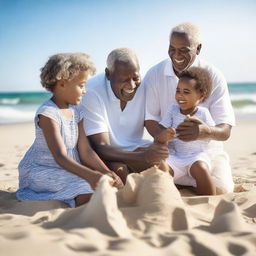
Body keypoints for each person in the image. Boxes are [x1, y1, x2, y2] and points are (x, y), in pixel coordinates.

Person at [16, 53, 123, 208]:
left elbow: (86, 151)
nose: (85, 90)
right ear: (62, 83)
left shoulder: (76, 112)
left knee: (101, 183)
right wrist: (92, 176)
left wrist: (105, 172)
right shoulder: (48, 114)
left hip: (69, 168)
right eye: (81, 85)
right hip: (44, 170)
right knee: (87, 187)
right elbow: (60, 157)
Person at [143, 22, 235, 194]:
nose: (176, 55)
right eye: (172, 48)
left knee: (223, 189)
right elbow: (150, 119)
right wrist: (162, 136)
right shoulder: (154, 74)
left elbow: (225, 130)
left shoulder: (214, 76)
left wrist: (205, 131)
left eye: (184, 50)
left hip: (205, 153)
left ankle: (187, 182)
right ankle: (178, 182)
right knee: (157, 173)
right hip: (172, 152)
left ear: (198, 48)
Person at [81, 48, 169, 183]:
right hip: (105, 155)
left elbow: (151, 122)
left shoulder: (145, 86)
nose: (132, 85)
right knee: (120, 170)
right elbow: (101, 146)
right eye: (124, 80)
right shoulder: (92, 91)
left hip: (135, 149)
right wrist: (144, 157)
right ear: (108, 74)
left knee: (162, 166)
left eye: (135, 78)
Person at [155, 67, 219, 195]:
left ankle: (209, 199)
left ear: (200, 96)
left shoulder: (203, 113)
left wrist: (203, 130)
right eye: (178, 91)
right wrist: (166, 134)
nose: (180, 95)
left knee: (201, 169)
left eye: (186, 92)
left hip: (196, 156)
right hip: (175, 155)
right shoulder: (173, 110)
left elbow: (211, 134)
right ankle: (167, 194)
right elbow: (160, 132)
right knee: (161, 167)